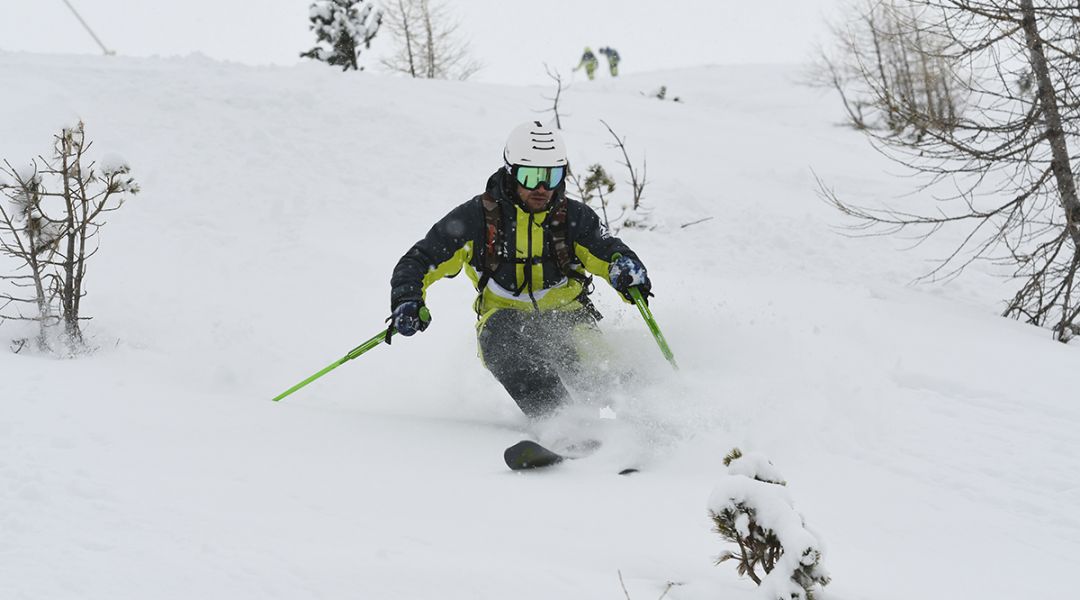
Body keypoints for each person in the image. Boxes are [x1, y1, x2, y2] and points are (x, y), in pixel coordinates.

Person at [389, 121, 652, 419]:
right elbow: (418, 261)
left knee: (602, 369)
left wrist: (626, 269)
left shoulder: (574, 218)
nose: (541, 188)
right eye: (531, 176)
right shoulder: (476, 219)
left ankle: (650, 423)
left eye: (551, 177)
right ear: (511, 173)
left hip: (569, 320)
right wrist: (407, 299)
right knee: (505, 344)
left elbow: (608, 251)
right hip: (505, 321)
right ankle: (562, 425)